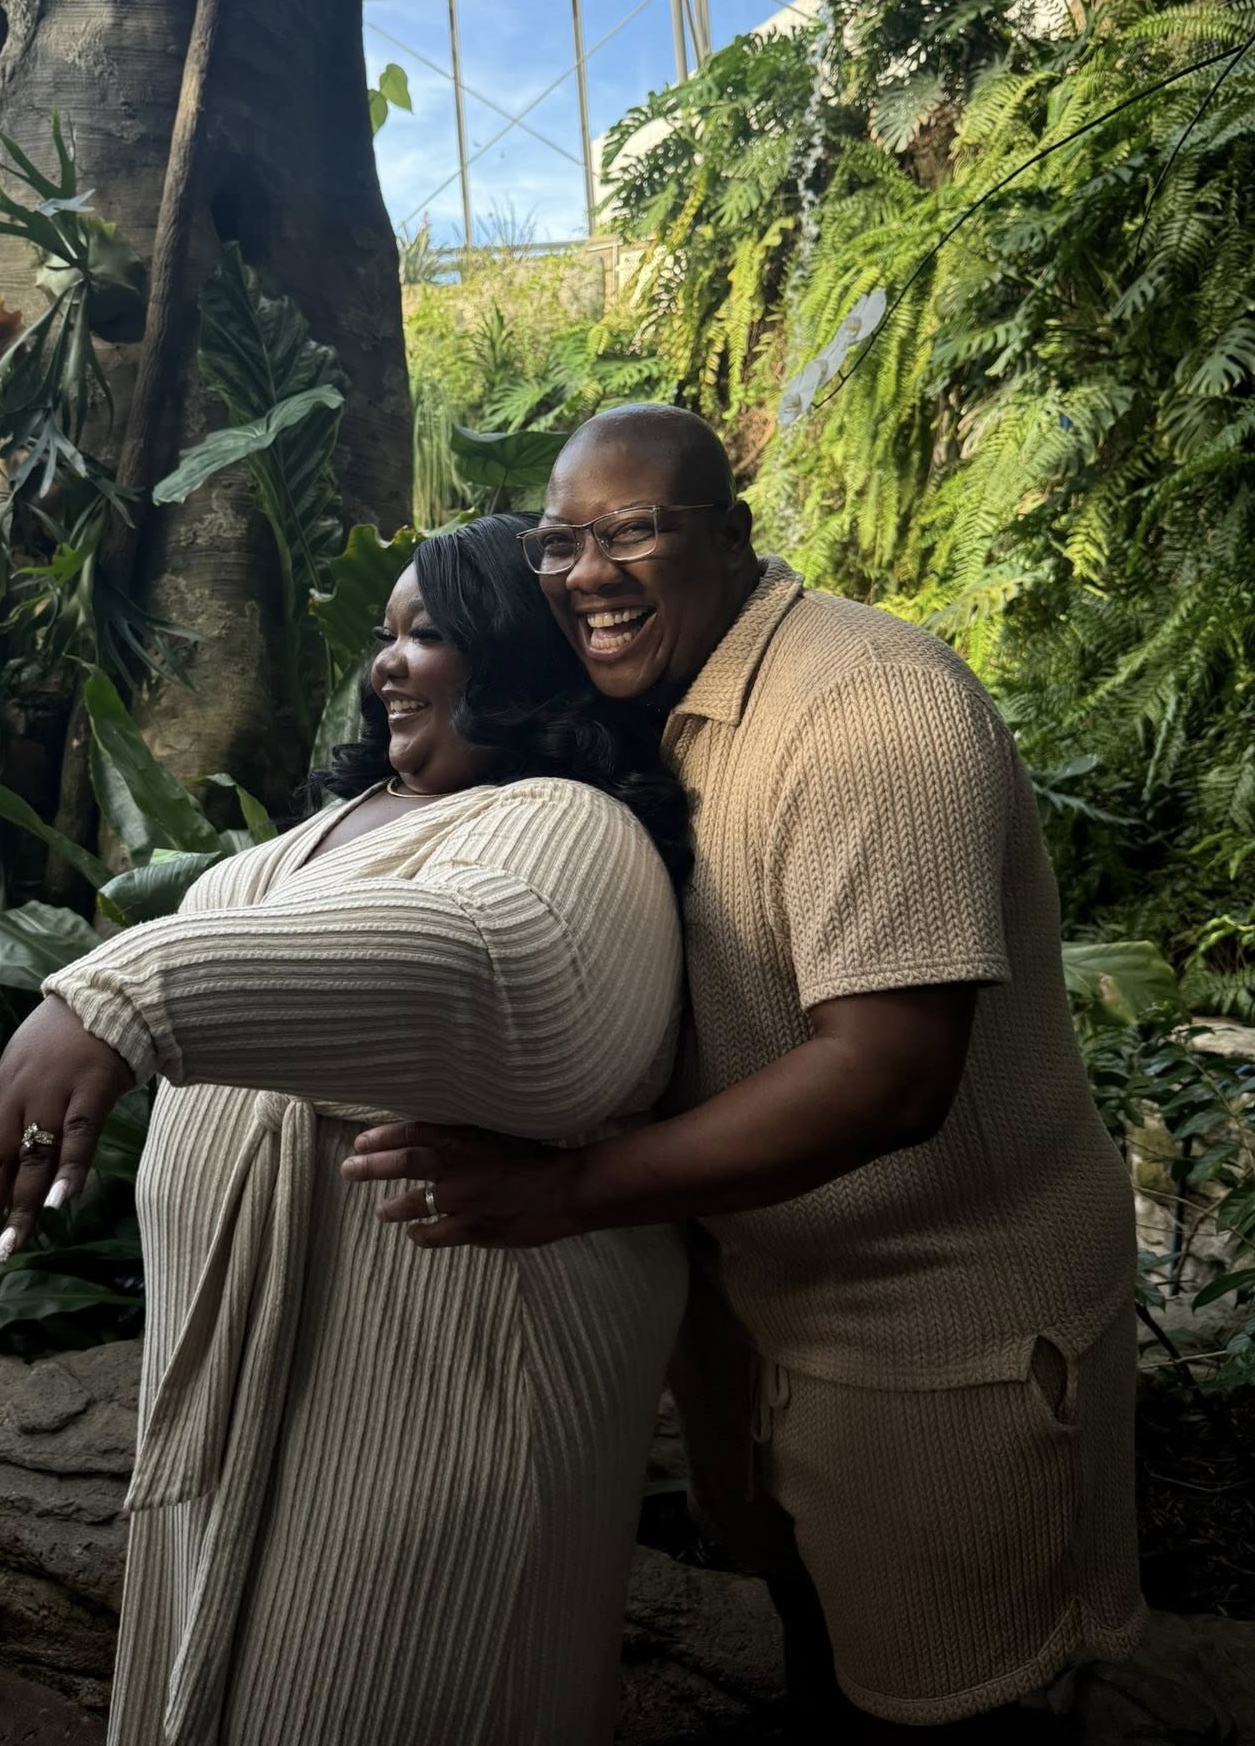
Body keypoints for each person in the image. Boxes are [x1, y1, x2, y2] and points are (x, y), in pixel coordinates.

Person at [343, 405, 1145, 1742]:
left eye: (633, 530)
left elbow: (888, 1074)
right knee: (827, 1669)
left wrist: (575, 1190)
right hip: (767, 1321)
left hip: (941, 1333)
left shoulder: (867, 713)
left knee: (959, 1702)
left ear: (730, 533)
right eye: (560, 542)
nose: (588, 573)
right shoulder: (657, 711)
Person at [0, 513, 692, 1746]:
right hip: (227, 1407)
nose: (387, 662)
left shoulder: (567, 823)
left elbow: (501, 968)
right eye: (384, 634)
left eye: (429, 633)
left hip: (438, 1420)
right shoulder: (345, 820)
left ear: (512, 656)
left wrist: (126, 992)